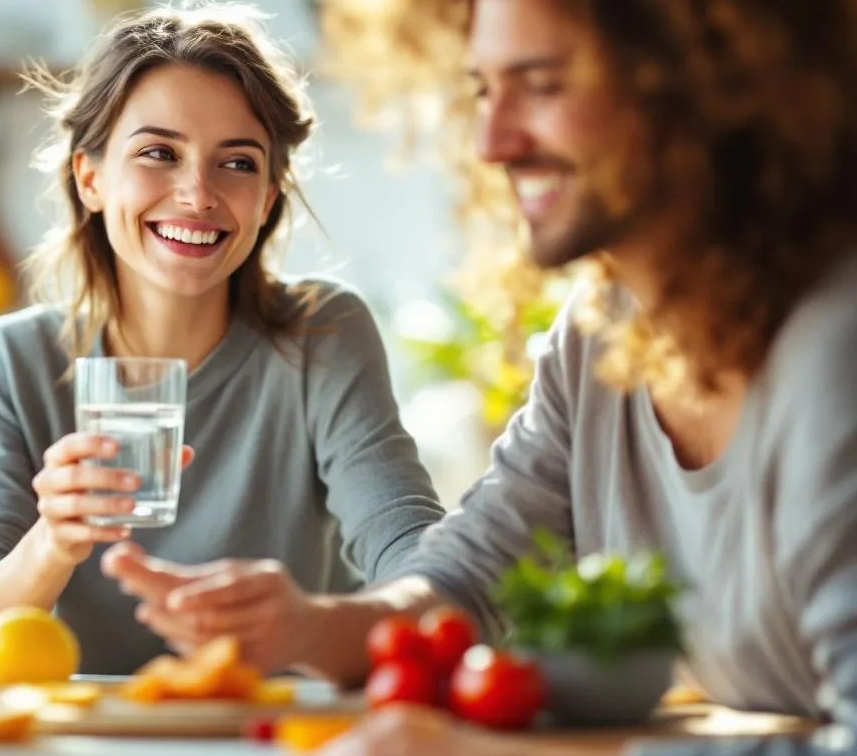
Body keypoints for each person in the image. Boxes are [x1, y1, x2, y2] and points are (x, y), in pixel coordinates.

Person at [117, 1, 857, 754]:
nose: (492, 142)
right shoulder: (600, 330)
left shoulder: (835, 344)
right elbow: (469, 578)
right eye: (482, 90)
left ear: (701, 90)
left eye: (541, 85)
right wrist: (305, 625)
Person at [0, 3, 443, 676]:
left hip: (278, 733)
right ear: (91, 177)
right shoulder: (19, 360)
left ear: (267, 198)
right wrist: (52, 543)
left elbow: (423, 563)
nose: (197, 193)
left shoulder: (322, 336)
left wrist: (306, 626)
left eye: (236, 163)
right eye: (158, 154)